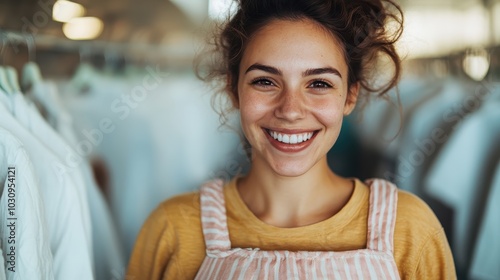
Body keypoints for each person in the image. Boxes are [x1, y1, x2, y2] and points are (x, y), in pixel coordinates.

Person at [127, 0, 456, 279]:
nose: (290, 110)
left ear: (350, 96)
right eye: (265, 81)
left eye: (319, 84)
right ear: (234, 90)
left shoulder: (411, 229)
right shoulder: (172, 228)